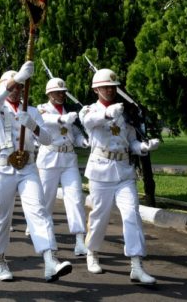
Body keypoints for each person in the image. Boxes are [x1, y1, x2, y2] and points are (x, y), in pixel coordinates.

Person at [0, 61, 73, 282]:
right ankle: (0, 259)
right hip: (2, 168)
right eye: (12, 87)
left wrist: (32, 125)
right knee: (2, 216)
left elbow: (47, 139)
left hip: (27, 167)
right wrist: (18, 78)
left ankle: (50, 259)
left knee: (38, 210)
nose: (15, 91)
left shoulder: (31, 110)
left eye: (19, 87)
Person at [80, 68, 160, 284]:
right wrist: (107, 113)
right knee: (99, 217)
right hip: (100, 170)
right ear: (96, 89)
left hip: (124, 170)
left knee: (131, 215)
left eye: (113, 87)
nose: (110, 90)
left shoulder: (126, 112)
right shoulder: (88, 110)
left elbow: (130, 141)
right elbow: (88, 123)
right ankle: (92, 252)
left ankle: (136, 264)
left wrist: (143, 147)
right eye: (105, 86)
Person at [36, 78, 89, 256]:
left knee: (75, 198)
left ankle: (80, 239)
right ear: (49, 94)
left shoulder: (68, 111)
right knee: (46, 199)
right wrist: (63, 118)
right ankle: (45, 234)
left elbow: (73, 132)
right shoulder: (42, 108)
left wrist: (83, 140)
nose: (61, 95)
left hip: (68, 158)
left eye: (63, 92)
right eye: (58, 92)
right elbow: (45, 120)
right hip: (49, 157)